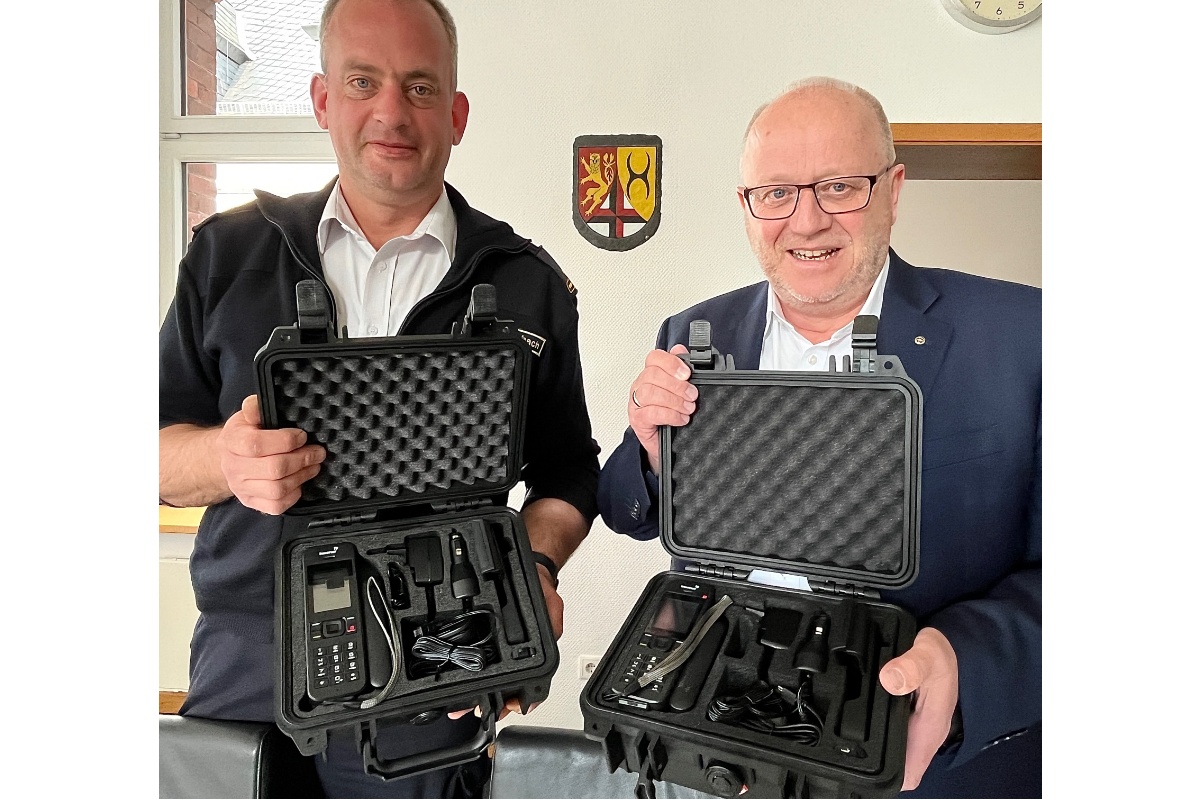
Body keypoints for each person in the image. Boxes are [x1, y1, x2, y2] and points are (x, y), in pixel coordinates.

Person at [158, 1, 600, 796]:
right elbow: (152, 452)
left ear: (456, 115)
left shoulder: (527, 283)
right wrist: (225, 461)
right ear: (324, 99)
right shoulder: (227, 254)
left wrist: (532, 565)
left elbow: (570, 474)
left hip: (440, 676)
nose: (392, 111)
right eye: (364, 82)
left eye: (421, 88)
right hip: (246, 678)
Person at [597, 77, 1040, 798]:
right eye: (775, 193)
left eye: (839, 186)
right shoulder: (691, 333)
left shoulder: (1027, 336)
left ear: (894, 190)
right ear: (746, 207)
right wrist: (650, 450)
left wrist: (968, 657)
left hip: (942, 770)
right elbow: (627, 509)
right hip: (733, 742)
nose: (805, 222)